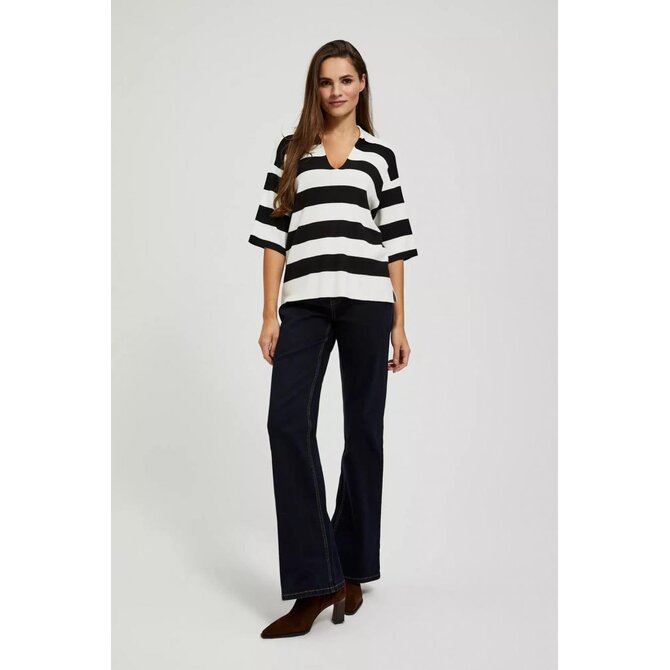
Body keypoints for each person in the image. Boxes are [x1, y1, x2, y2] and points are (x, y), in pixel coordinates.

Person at [248, 39, 418, 639]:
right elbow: (274, 235)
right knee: (286, 423)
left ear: (362, 83)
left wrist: (400, 321)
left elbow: (395, 242)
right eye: (326, 81)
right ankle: (316, 579)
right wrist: (269, 313)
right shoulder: (292, 151)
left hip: (369, 303)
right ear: (315, 89)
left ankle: (353, 571)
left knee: (364, 431)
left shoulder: (380, 156)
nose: (336, 90)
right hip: (305, 304)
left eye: (346, 79)